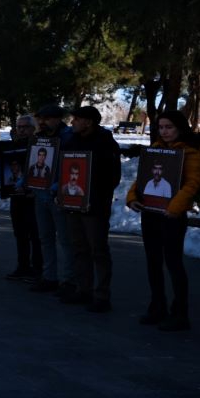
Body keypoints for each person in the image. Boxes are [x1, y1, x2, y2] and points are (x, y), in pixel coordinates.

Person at [127, 111, 200, 330]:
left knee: (174, 263)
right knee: (153, 262)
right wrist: (132, 198)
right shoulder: (155, 149)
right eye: (160, 127)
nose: (164, 131)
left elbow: (193, 183)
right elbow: (142, 178)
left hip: (172, 216)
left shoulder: (191, 152)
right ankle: (157, 307)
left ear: (180, 127)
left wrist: (174, 208)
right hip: (150, 213)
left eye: (169, 127)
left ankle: (180, 314)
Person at [62, 106, 122, 312]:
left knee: (98, 250)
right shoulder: (72, 141)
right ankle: (83, 289)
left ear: (88, 122)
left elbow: (112, 177)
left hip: (95, 207)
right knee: (79, 248)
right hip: (73, 204)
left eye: (77, 119)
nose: (72, 123)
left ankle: (102, 295)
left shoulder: (105, 143)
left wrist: (94, 197)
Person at [29, 105, 75, 294]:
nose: (42, 122)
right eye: (40, 119)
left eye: (46, 119)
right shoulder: (39, 137)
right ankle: (49, 277)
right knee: (45, 238)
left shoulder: (68, 137)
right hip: (40, 194)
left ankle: (69, 280)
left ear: (57, 119)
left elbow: (73, 165)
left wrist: (58, 185)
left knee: (65, 240)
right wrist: (26, 180)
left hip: (58, 196)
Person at [2, 115, 43, 282]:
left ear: (33, 128)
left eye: (25, 127)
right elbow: (7, 169)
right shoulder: (14, 145)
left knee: (35, 234)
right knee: (20, 233)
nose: (21, 130)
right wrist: (6, 187)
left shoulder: (39, 145)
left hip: (33, 197)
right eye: (18, 127)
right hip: (17, 197)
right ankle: (23, 266)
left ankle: (38, 268)